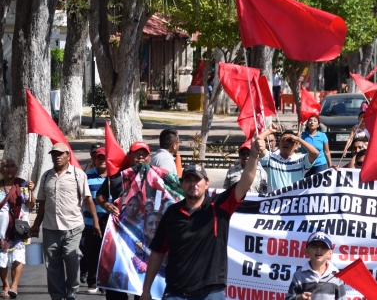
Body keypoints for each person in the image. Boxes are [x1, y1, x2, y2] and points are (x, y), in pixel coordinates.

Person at [140, 134, 266, 300]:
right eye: (188, 180)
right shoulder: (171, 213)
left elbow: (245, 182)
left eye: (197, 180)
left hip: (210, 294)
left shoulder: (219, 206)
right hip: (176, 293)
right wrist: (146, 290)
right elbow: (158, 253)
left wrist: (254, 155)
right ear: (181, 184)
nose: (193, 184)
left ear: (207, 183)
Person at [31, 143, 101, 300]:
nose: (57, 157)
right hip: (50, 228)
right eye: (54, 154)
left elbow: (88, 200)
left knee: (72, 258)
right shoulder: (46, 176)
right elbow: (42, 203)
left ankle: (72, 288)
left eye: (60, 154)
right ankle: (58, 296)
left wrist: (95, 221)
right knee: (52, 265)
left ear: (68, 156)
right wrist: (36, 225)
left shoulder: (78, 174)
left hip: (73, 227)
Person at [95, 141, 151, 300]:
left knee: (142, 280)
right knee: (117, 279)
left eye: (144, 155)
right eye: (136, 155)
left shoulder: (157, 177)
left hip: (145, 238)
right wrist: (106, 205)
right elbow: (100, 195)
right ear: (129, 156)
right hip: (120, 235)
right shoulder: (117, 176)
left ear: (149, 157)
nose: (140, 158)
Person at [0, 159, 35, 299]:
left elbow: (31, 205)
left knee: (17, 257)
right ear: (1, 169)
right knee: (2, 257)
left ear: (17, 168)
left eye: (12, 166)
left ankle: (14, 285)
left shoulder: (22, 184)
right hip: (1, 228)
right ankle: (5, 285)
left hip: (19, 228)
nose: (9, 169)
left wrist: (31, 191)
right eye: (6, 166)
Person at [259, 124, 320, 191]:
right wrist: (269, 130)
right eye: (283, 140)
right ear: (279, 144)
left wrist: (298, 139)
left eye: (290, 140)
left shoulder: (301, 160)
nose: (286, 142)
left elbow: (315, 153)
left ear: (296, 146)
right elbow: (258, 142)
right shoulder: (270, 158)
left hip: (294, 200)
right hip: (274, 200)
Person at [287, 232, 346, 300]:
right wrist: (299, 298)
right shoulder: (299, 275)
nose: (319, 249)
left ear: (330, 253)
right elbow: (289, 298)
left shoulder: (336, 276)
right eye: (314, 246)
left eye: (324, 246)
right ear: (306, 251)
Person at [81, 148, 107, 294]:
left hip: (110, 222)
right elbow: (84, 198)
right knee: (91, 253)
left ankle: (104, 282)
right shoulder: (87, 176)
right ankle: (92, 281)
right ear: (94, 160)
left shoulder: (115, 175)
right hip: (91, 222)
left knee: (107, 253)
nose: (102, 160)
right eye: (99, 158)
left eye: (104, 158)